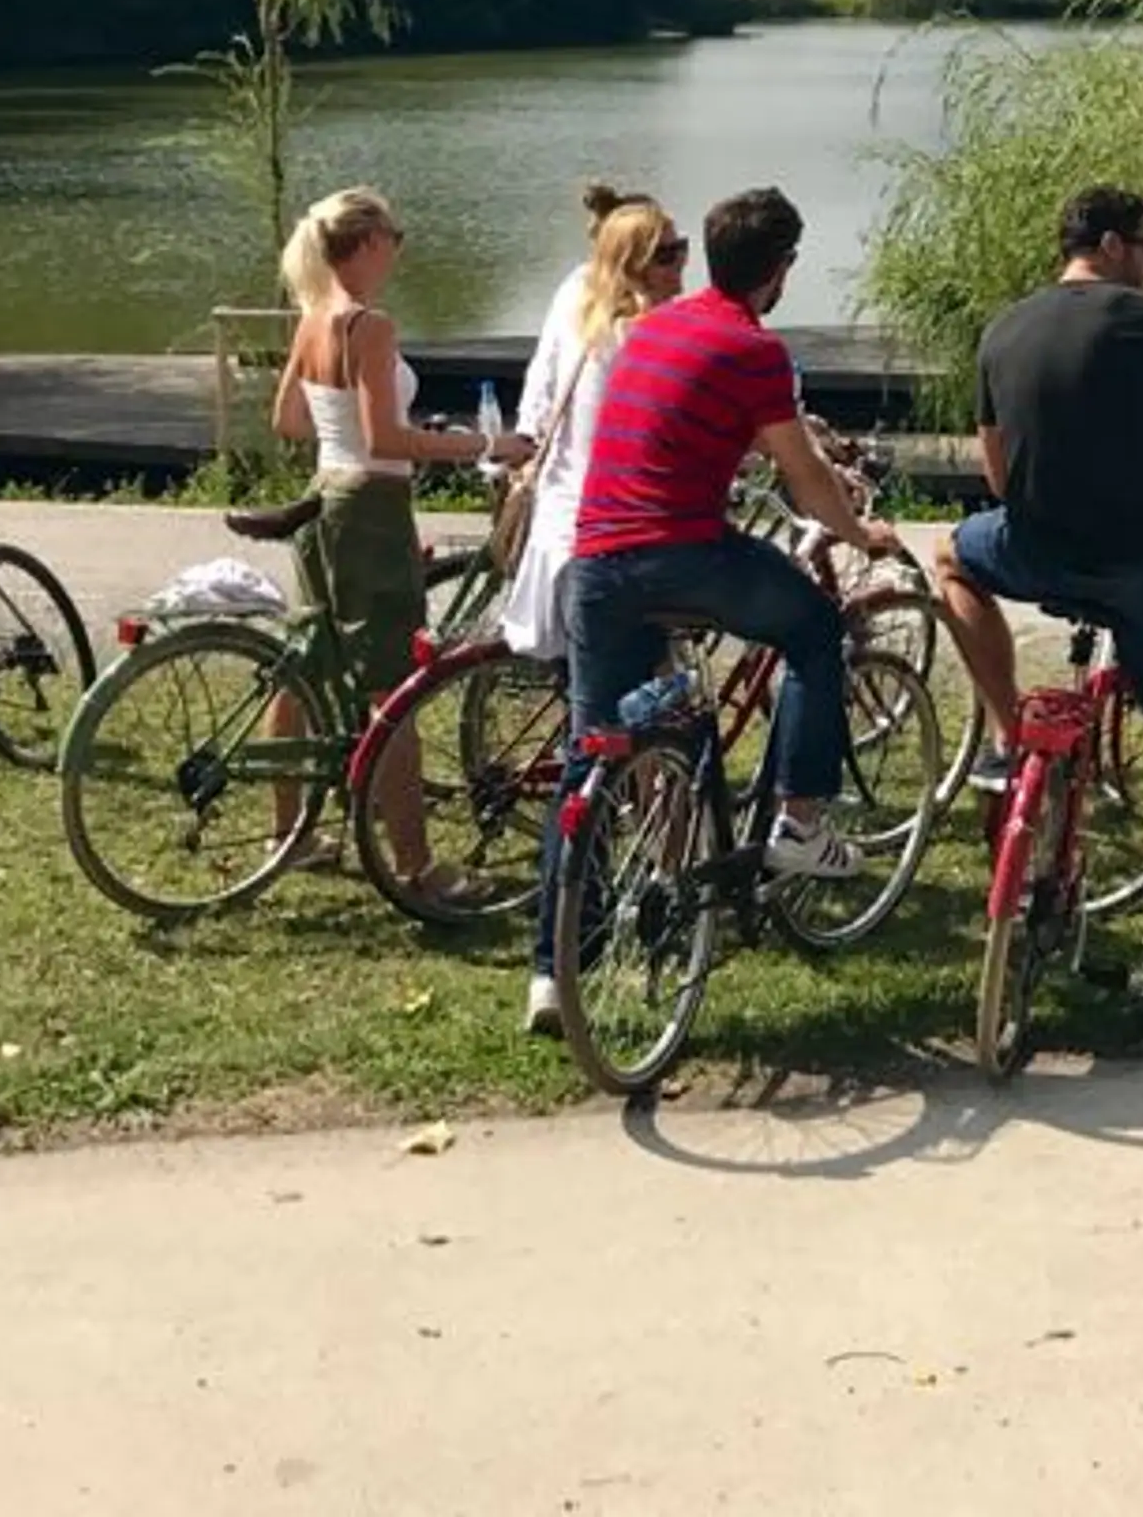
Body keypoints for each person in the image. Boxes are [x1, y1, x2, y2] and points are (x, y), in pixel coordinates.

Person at [929, 185, 1143, 1023]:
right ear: (1110, 243)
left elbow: (997, 477)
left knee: (952, 556)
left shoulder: (1003, 328)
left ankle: (1001, 730)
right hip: (1135, 561)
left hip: (1032, 549)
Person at [564, 185, 897, 896]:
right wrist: (859, 534)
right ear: (782, 268)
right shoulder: (755, 348)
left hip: (592, 561)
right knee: (813, 630)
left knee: (589, 756)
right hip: (681, 555)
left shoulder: (652, 328)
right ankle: (800, 824)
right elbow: (803, 475)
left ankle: (556, 969)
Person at [269, 186, 534, 908]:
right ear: (366, 244)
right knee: (397, 688)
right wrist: (486, 444)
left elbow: (289, 419)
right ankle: (416, 865)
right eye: (396, 236)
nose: (400, 249)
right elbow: (387, 440)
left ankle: (287, 834)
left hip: (325, 496)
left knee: (308, 666)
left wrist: (343, 432)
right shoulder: (368, 325)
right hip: (371, 504)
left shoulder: (314, 317)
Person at [501, 182, 690, 1038]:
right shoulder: (655, 337)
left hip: (561, 549)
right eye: (675, 252)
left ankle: (551, 968)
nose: (687, 266)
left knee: (590, 747)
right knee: (646, 733)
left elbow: (536, 412)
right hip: (627, 553)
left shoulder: (571, 301)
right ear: (643, 264)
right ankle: (649, 900)